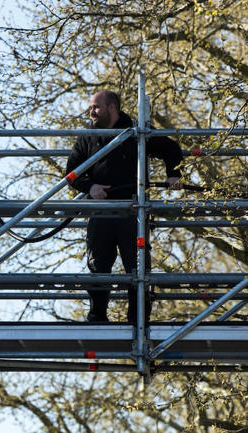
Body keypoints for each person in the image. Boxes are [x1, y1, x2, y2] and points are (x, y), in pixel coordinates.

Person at [65, 90, 183, 323]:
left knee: (137, 269)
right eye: (91, 107)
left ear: (112, 108)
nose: (91, 112)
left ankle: (137, 321)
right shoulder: (87, 137)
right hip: (100, 213)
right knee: (98, 266)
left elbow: (171, 149)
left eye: (96, 107)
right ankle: (97, 318)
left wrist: (173, 175)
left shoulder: (136, 131)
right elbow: (71, 174)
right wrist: (90, 187)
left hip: (133, 212)